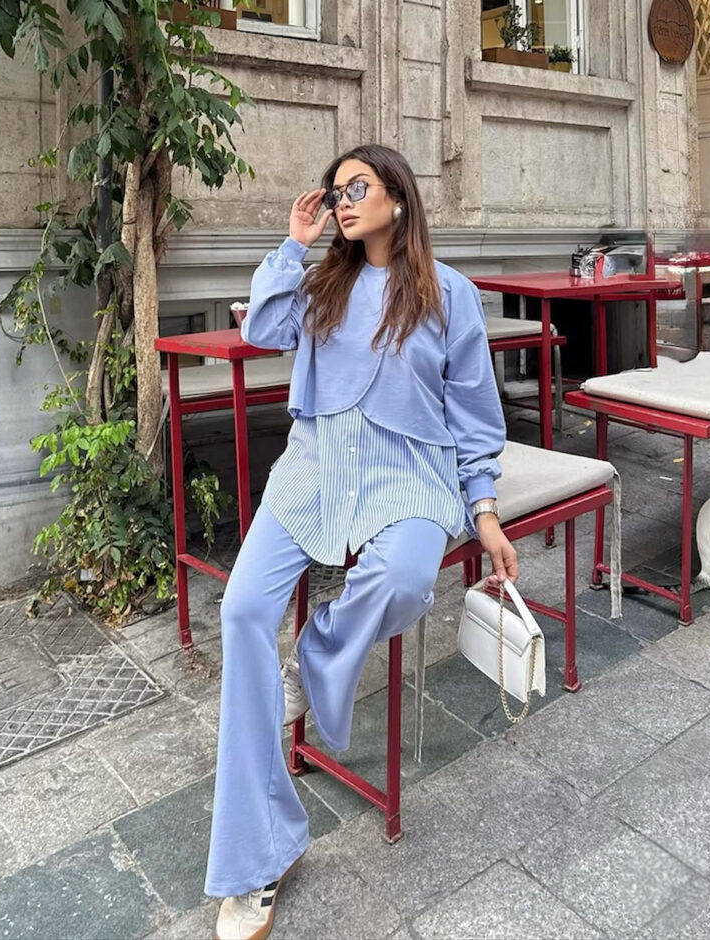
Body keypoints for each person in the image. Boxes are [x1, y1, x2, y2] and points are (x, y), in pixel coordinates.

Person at [206, 144, 517, 940]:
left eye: (357, 188)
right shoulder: (322, 284)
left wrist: (483, 509)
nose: (343, 201)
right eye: (336, 190)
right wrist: (293, 244)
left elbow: (474, 416)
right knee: (242, 612)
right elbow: (263, 328)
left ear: (397, 199)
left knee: (406, 578)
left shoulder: (449, 294)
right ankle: (258, 857)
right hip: (315, 464)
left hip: (409, 470)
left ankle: (313, 661)